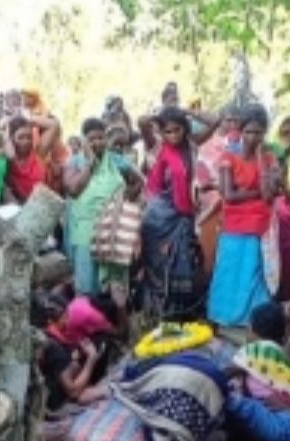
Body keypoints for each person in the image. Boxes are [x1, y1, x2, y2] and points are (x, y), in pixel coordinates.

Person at [224, 302, 290, 441]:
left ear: (251, 330)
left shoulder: (254, 352)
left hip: (288, 431)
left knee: (230, 399)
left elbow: (223, 373)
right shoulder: (283, 357)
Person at [208, 105, 276, 327]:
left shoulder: (268, 159)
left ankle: (251, 322)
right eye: (249, 132)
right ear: (241, 131)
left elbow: (268, 195)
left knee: (254, 273)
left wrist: (259, 158)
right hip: (234, 226)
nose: (253, 137)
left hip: (260, 226)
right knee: (229, 272)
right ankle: (223, 319)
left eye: (258, 132)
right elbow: (228, 195)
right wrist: (255, 193)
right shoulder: (229, 158)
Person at [63, 119, 142, 294]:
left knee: (116, 282)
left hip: (112, 228)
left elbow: (138, 181)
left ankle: (116, 319)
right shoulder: (74, 162)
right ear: (83, 140)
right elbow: (73, 190)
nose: (97, 142)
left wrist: (126, 198)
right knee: (87, 282)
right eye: (91, 139)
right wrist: (90, 164)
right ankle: (87, 317)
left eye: (100, 138)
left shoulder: (116, 160)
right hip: (85, 229)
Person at [138, 106, 198, 318]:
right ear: (161, 132)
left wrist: (187, 111)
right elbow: (142, 122)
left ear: (185, 129)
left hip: (182, 218)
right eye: (168, 131)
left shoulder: (191, 145)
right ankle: (156, 315)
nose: (173, 135)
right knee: (157, 266)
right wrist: (159, 115)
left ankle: (179, 314)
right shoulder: (157, 146)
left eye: (177, 129)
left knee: (183, 267)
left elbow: (216, 121)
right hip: (157, 220)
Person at [3, 115, 59, 203]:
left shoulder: (38, 153)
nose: (26, 141)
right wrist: (7, 132)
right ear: (12, 138)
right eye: (21, 137)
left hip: (41, 206)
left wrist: (27, 119)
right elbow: (9, 153)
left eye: (29, 137)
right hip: (17, 208)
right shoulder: (6, 159)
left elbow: (54, 125)